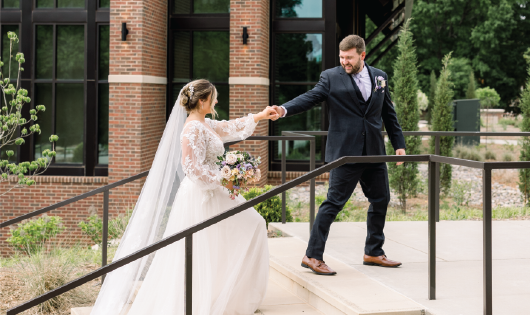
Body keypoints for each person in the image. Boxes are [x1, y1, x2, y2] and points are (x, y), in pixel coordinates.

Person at [90, 79, 279, 314]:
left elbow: (231, 126)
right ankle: (205, 298)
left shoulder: (206, 123)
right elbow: (191, 167)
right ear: (202, 101)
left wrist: (260, 115)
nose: (217, 100)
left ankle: (227, 293)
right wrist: (225, 177)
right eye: (214, 97)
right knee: (215, 240)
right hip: (202, 195)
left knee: (246, 228)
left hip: (216, 190)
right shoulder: (192, 129)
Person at [271, 35, 407, 275]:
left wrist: (399, 144)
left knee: (381, 200)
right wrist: (283, 109)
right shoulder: (330, 77)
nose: (345, 62)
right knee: (333, 204)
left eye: (349, 58)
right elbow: (310, 98)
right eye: (342, 57)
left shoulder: (380, 77)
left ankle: (373, 251)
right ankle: (312, 256)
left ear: (362, 55)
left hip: (374, 152)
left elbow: (388, 113)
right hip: (344, 153)